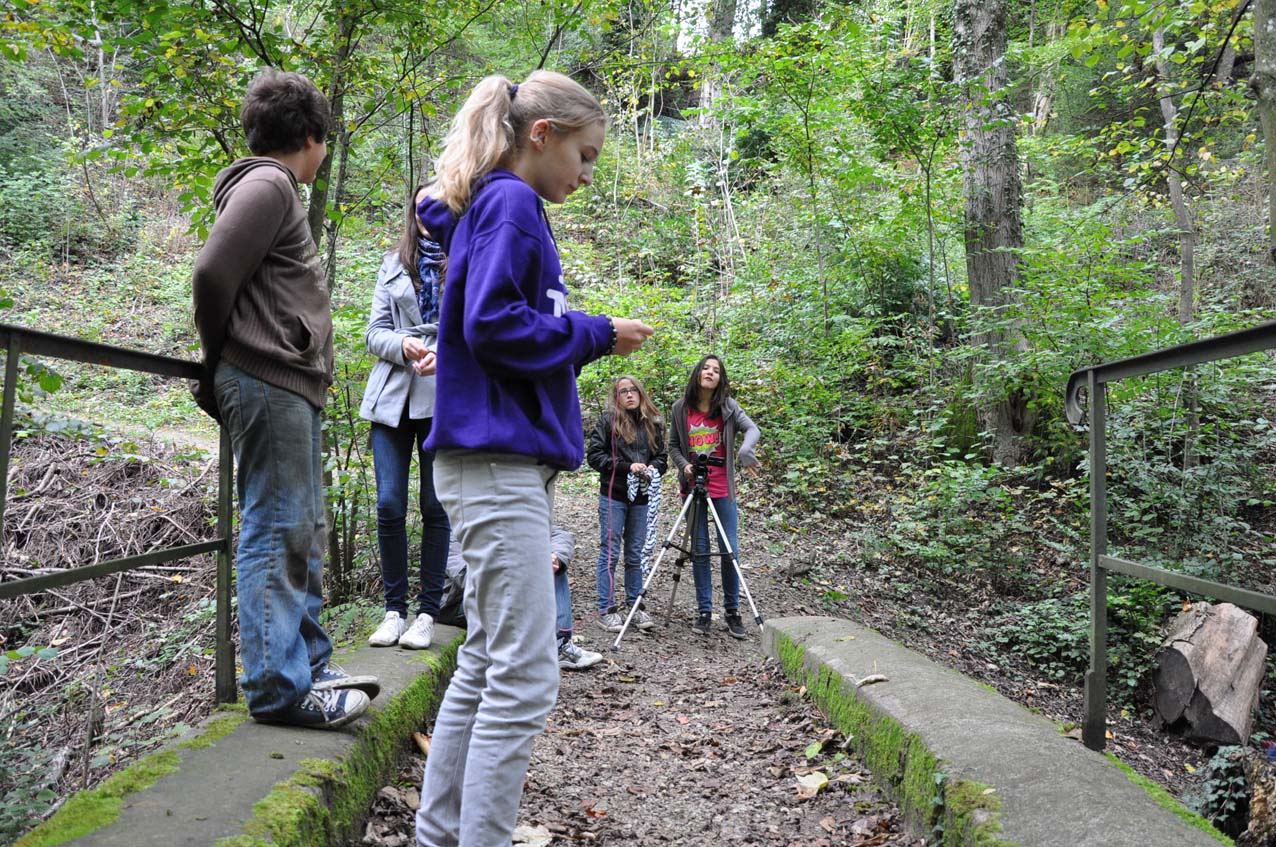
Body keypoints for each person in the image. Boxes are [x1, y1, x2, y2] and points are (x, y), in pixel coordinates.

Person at [412, 70, 653, 847]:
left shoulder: (500, 205)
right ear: (540, 135)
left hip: (492, 459)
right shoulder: (512, 202)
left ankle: (440, 835)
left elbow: (478, 319)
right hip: (496, 461)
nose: (587, 175)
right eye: (585, 156)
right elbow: (492, 324)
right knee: (524, 672)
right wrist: (594, 331)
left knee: (489, 657)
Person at [191, 69, 378, 729]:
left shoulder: (273, 188)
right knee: (278, 526)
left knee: (301, 528)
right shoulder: (271, 183)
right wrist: (221, 359)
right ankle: (278, 687)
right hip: (267, 377)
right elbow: (211, 271)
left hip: (283, 382)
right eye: (326, 140)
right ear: (311, 137)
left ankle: (310, 666)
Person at [360, 185, 450, 650]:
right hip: (392, 394)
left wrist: (445, 354)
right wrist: (402, 344)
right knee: (389, 503)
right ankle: (393, 611)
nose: (427, 216)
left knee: (436, 506)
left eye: (437, 207)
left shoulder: (469, 259)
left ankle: (428, 613)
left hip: (445, 394)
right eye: (420, 208)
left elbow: (480, 329)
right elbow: (374, 332)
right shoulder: (393, 262)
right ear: (412, 214)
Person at [668, 355, 760, 640]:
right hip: (693, 487)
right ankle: (704, 611)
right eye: (706, 368)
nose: (710, 372)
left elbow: (752, 429)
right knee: (700, 549)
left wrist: (745, 451)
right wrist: (684, 465)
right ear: (698, 373)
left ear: (721, 378)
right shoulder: (680, 408)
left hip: (722, 487)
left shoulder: (728, 407)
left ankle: (732, 611)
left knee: (729, 548)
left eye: (716, 370)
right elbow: (673, 445)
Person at [436, 525, 603, 671]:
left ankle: (560, 645)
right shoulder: (453, 527)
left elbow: (559, 533)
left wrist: (555, 557)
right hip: (457, 603)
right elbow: (466, 578)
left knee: (551, 565)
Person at [587, 375, 666, 633]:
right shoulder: (607, 422)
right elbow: (594, 456)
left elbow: (662, 457)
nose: (629, 394)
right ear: (617, 396)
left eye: (633, 390)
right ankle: (606, 609)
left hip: (641, 497)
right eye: (623, 391)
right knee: (610, 552)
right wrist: (625, 467)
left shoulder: (652, 423)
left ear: (641, 393)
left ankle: (635, 606)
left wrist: (652, 468)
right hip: (614, 494)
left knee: (635, 553)